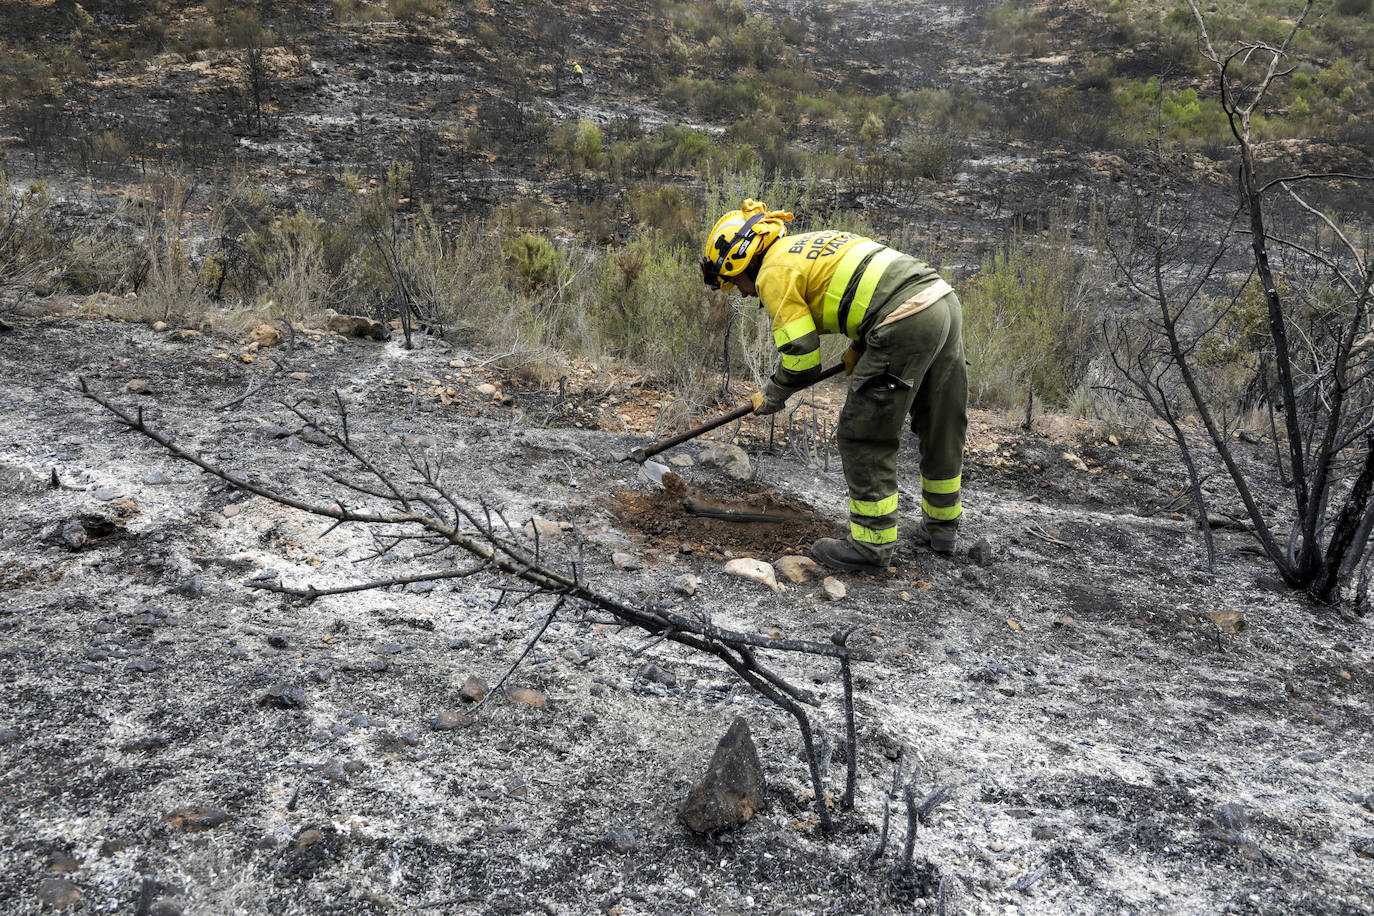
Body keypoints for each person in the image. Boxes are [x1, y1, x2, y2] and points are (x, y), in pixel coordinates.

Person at [699, 199, 968, 573]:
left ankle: (871, 547)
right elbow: (865, 286)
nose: (744, 293)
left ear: (741, 260)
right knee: (941, 419)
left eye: (735, 283)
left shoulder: (772, 274)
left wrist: (774, 393)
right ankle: (942, 529)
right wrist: (860, 346)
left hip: (903, 318)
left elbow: (802, 360)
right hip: (941, 301)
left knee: (863, 433)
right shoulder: (807, 244)